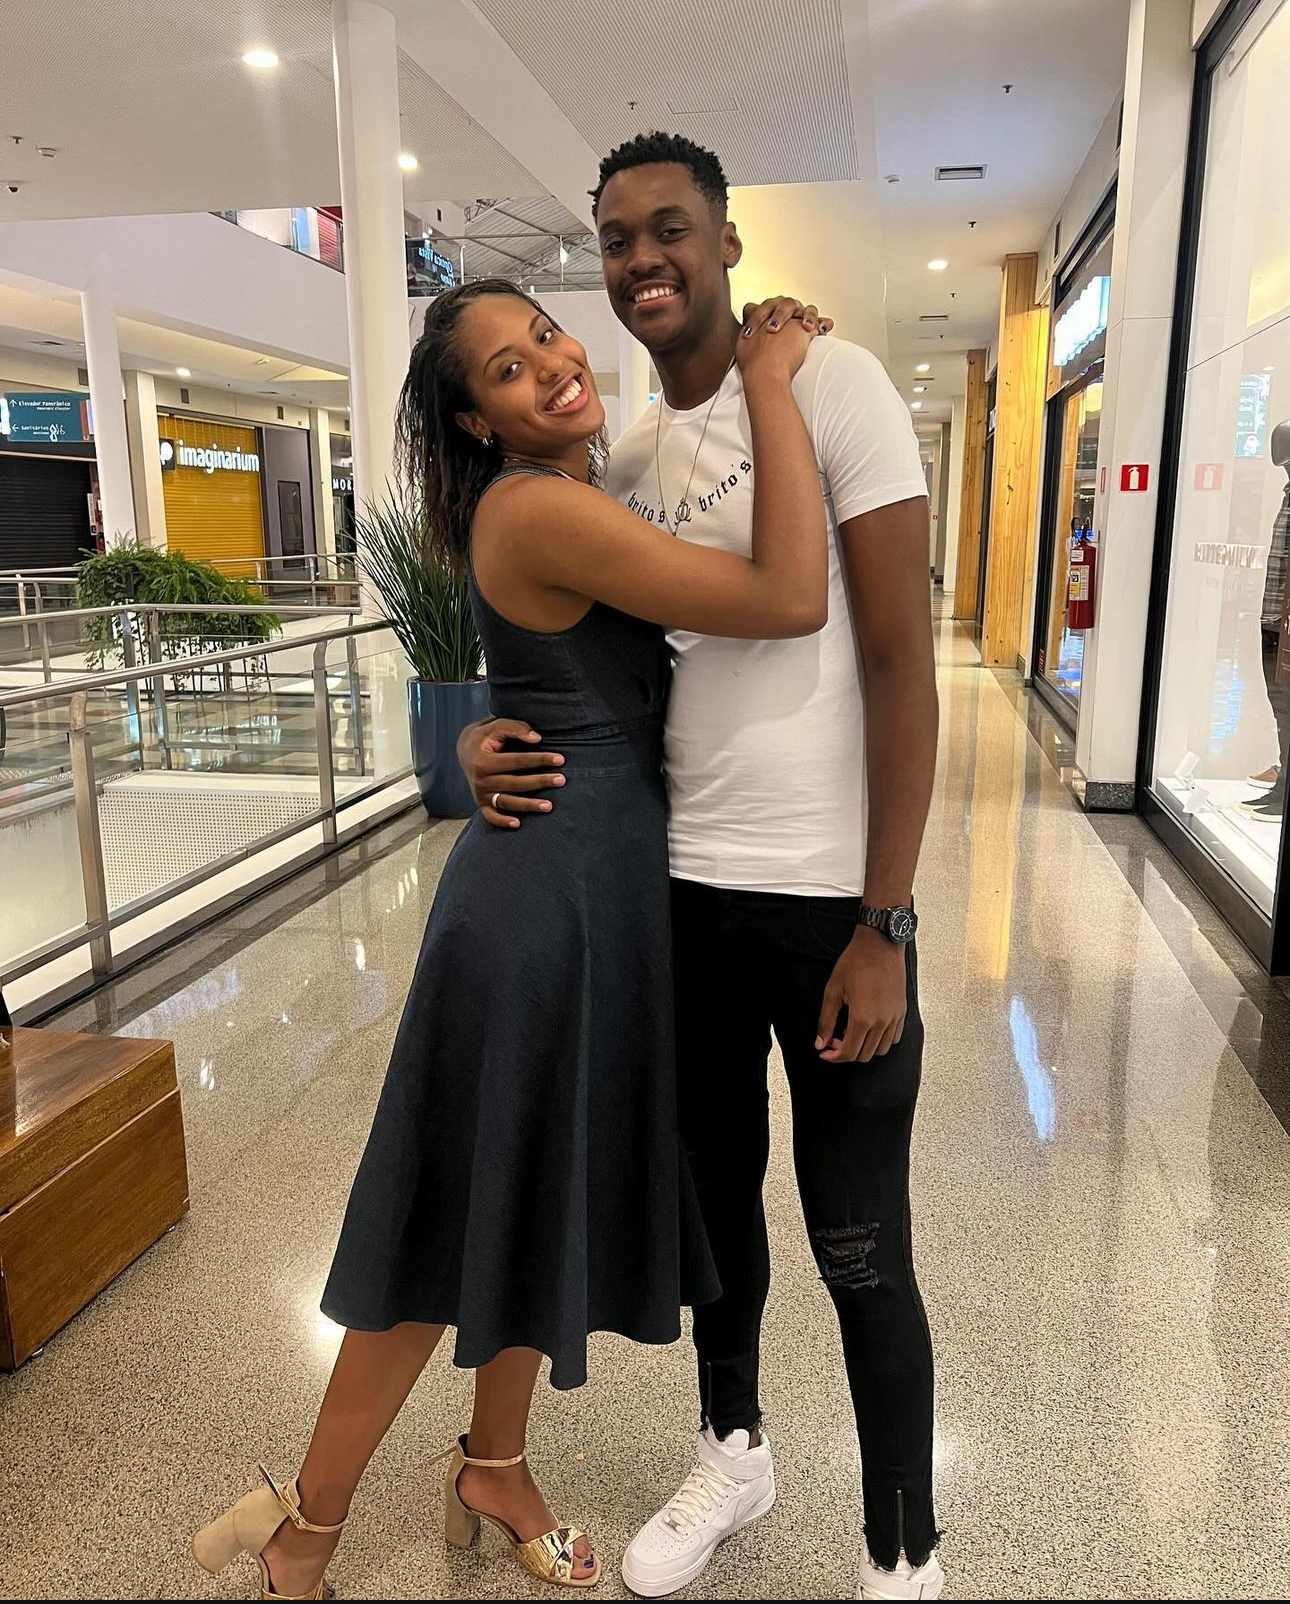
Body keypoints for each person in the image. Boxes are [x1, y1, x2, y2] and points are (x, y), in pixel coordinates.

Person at [190, 277, 832, 1600]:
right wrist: (769, 382)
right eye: (504, 368)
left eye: (542, 333)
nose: (547, 364)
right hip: (542, 913)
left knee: (531, 1195)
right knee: (447, 1221)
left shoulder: (574, 490)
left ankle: (494, 1464)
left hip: (591, 900)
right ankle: (303, 1521)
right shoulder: (538, 504)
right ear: (477, 422)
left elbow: (555, 664)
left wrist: (480, 728)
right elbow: (784, 594)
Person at [458, 133, 942, 1602]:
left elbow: (899, 663)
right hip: (682, 898)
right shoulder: (615, 459)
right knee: (716, 1216)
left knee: (860, 1243)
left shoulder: (833, 385)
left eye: (668, 229)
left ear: (726, 242)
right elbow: (581, 664)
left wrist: (886, 918)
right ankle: (734, 1453)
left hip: (829, 905)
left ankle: (903, 1555)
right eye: (615, 241)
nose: (641, 260)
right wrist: (473, 738)